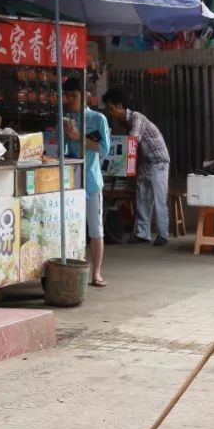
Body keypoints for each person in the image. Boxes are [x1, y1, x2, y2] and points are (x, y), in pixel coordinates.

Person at [102, 87, 171, 246]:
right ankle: (143, 234)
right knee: (142, 199)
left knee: (159, 199)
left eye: (111, 109)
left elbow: (132, 141)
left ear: (120, 106)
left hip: (159, 162)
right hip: (145, 163)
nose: (110, 113)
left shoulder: (136, 117)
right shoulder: (123, 121)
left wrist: (117, 161)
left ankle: (163, 235)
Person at [64, 78, 111, 287]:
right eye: (67, 96)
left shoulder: (98, 119)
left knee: (95, 228)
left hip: (91, 181)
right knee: (71, 227)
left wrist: (78, 137)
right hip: (69, 181)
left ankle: (97, 272)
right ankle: (73, 269)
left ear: (85, 97)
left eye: (74, 95)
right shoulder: (64, 119)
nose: (69, 100)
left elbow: (104, 149)